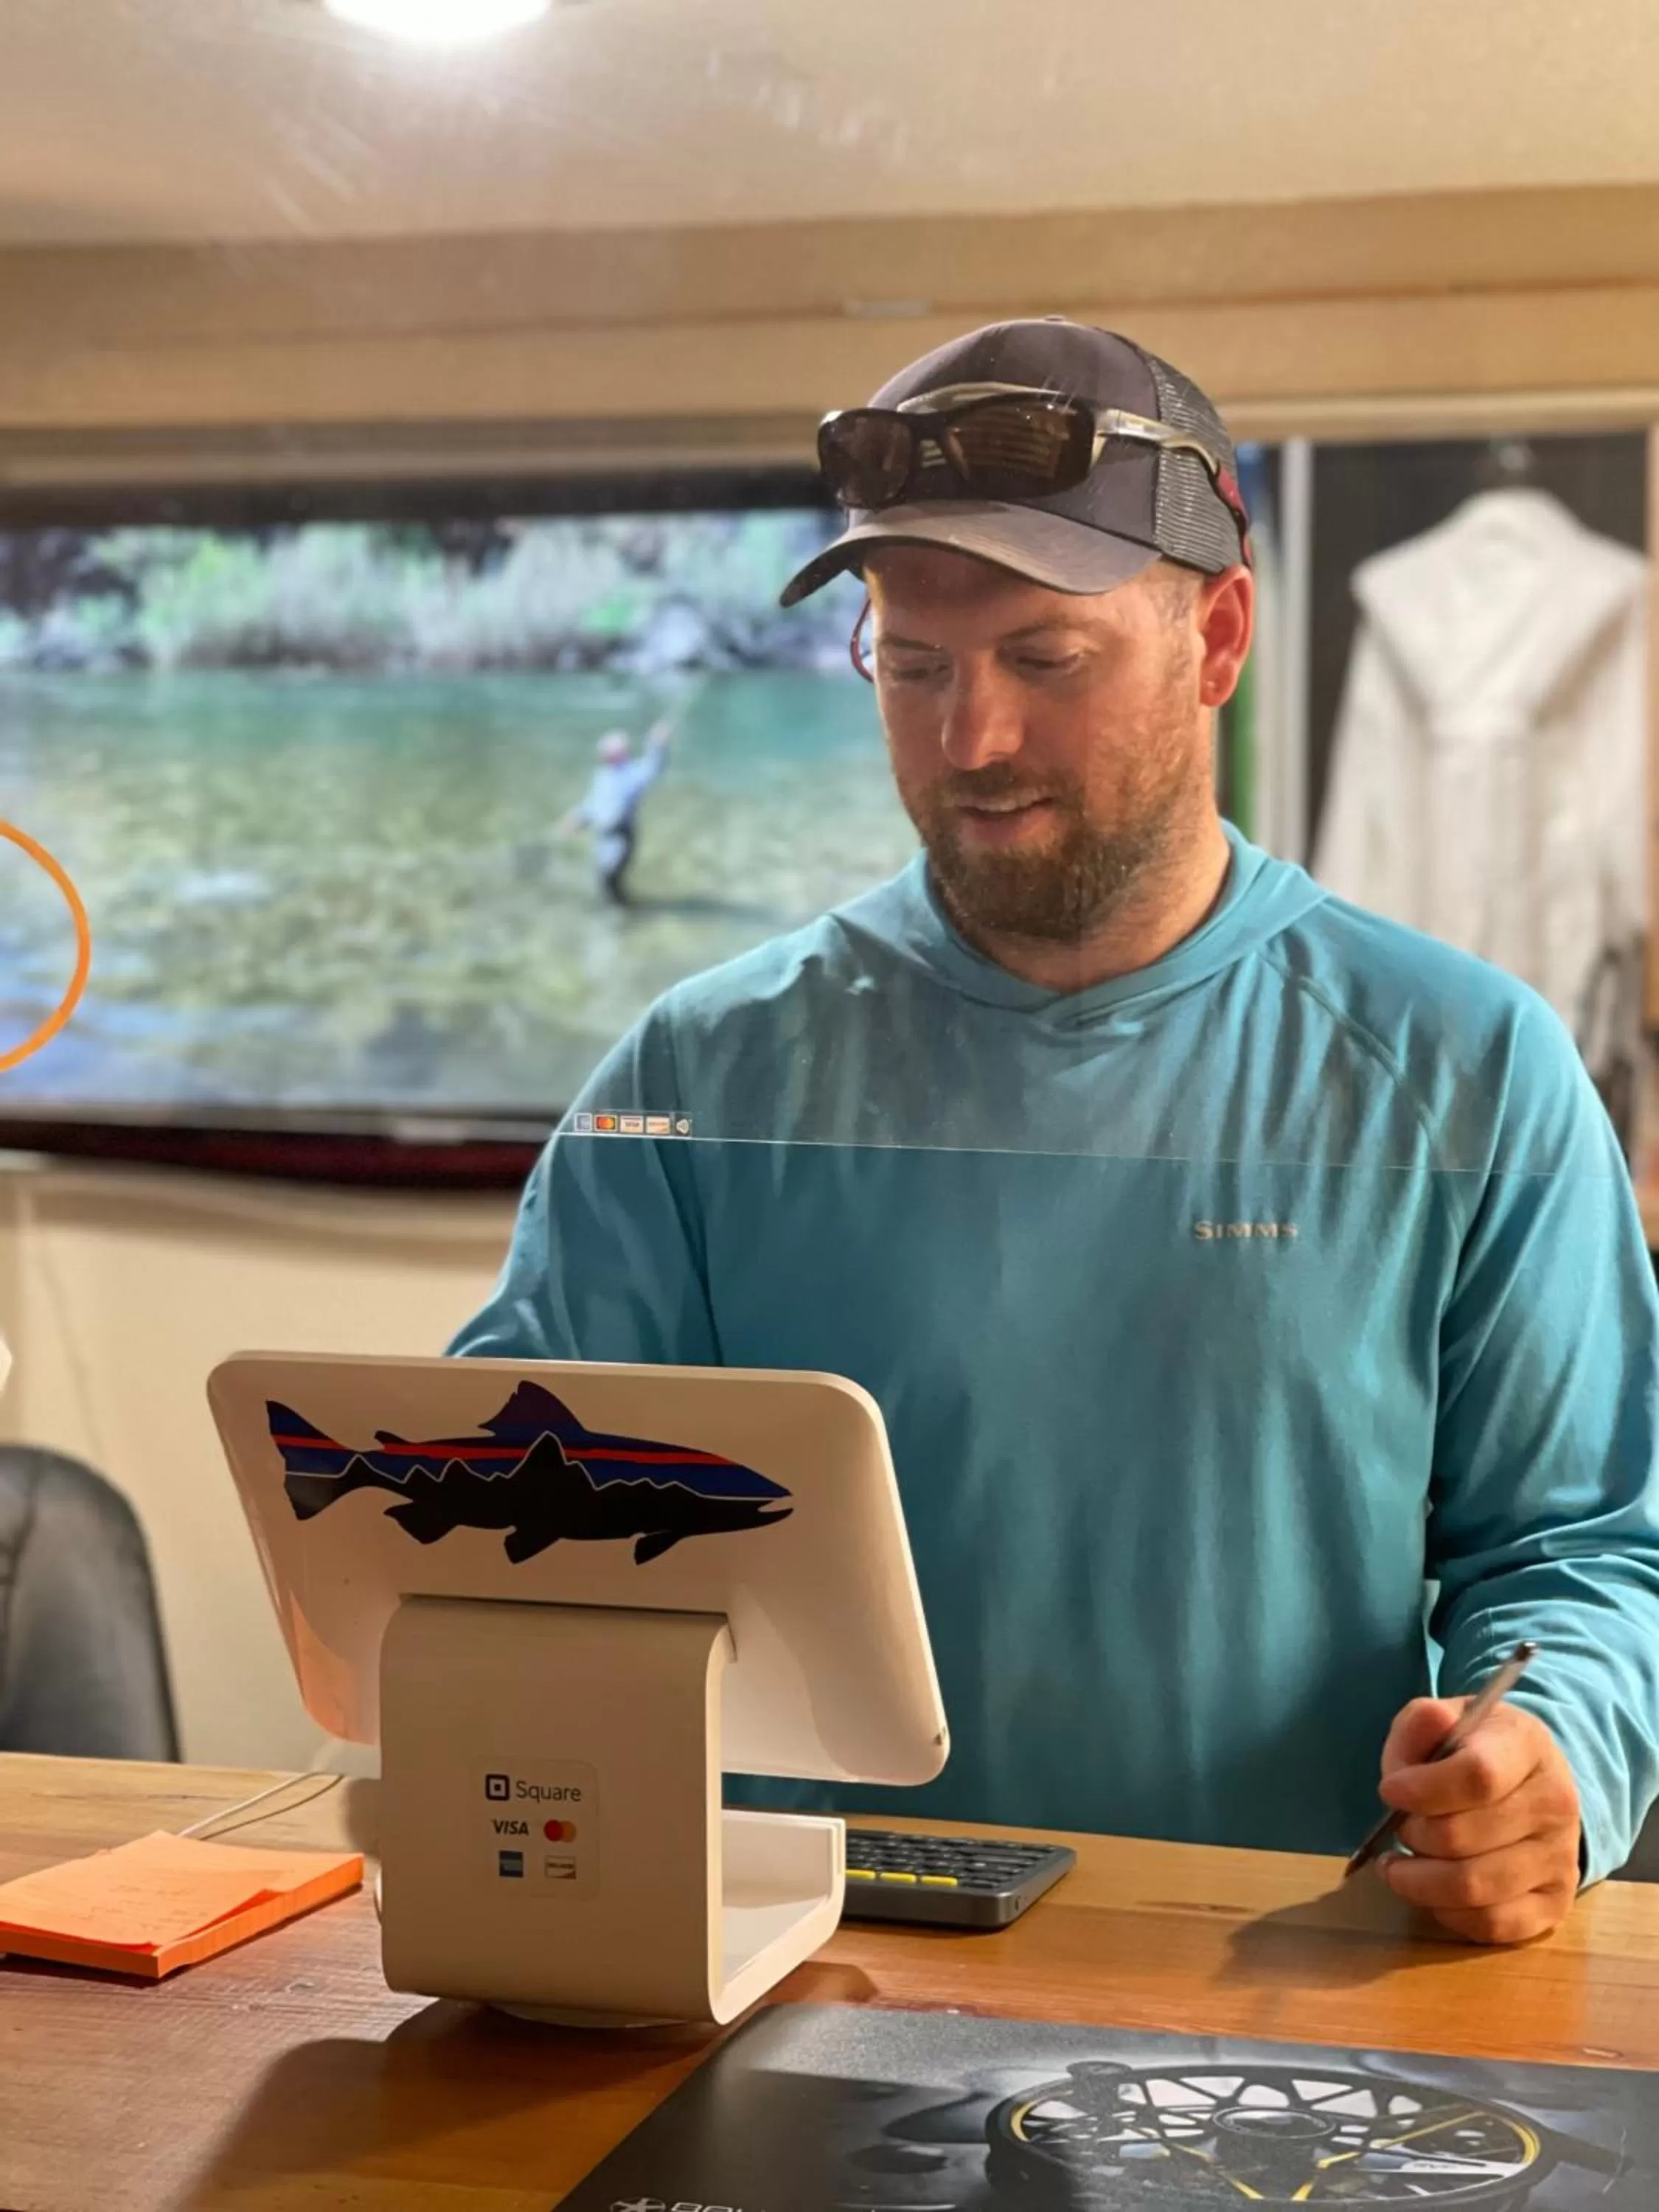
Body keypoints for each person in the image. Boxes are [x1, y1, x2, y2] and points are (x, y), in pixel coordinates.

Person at [452, 319, 1659, 1944]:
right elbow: (498, 1529)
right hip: (807, 1976)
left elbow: (1588, 1548)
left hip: (1281, 1985)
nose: (974, 745)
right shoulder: (703, 1077)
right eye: (916, 664)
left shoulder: (1468, 1069)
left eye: (1045, 660)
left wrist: (1553, 1756)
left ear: (1217, 638)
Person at [560, 718, 673, 905]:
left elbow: (654, 767)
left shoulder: (632, 773)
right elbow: (592, 806)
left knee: (610, 882)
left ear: (618, 754)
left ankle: (624, 914)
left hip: (621, 839)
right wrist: (575, 820)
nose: (602, 755)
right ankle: (620, 911)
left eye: (607, 752)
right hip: (604, 839)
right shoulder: (603, 774)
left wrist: (658, 744)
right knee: (605, 882)